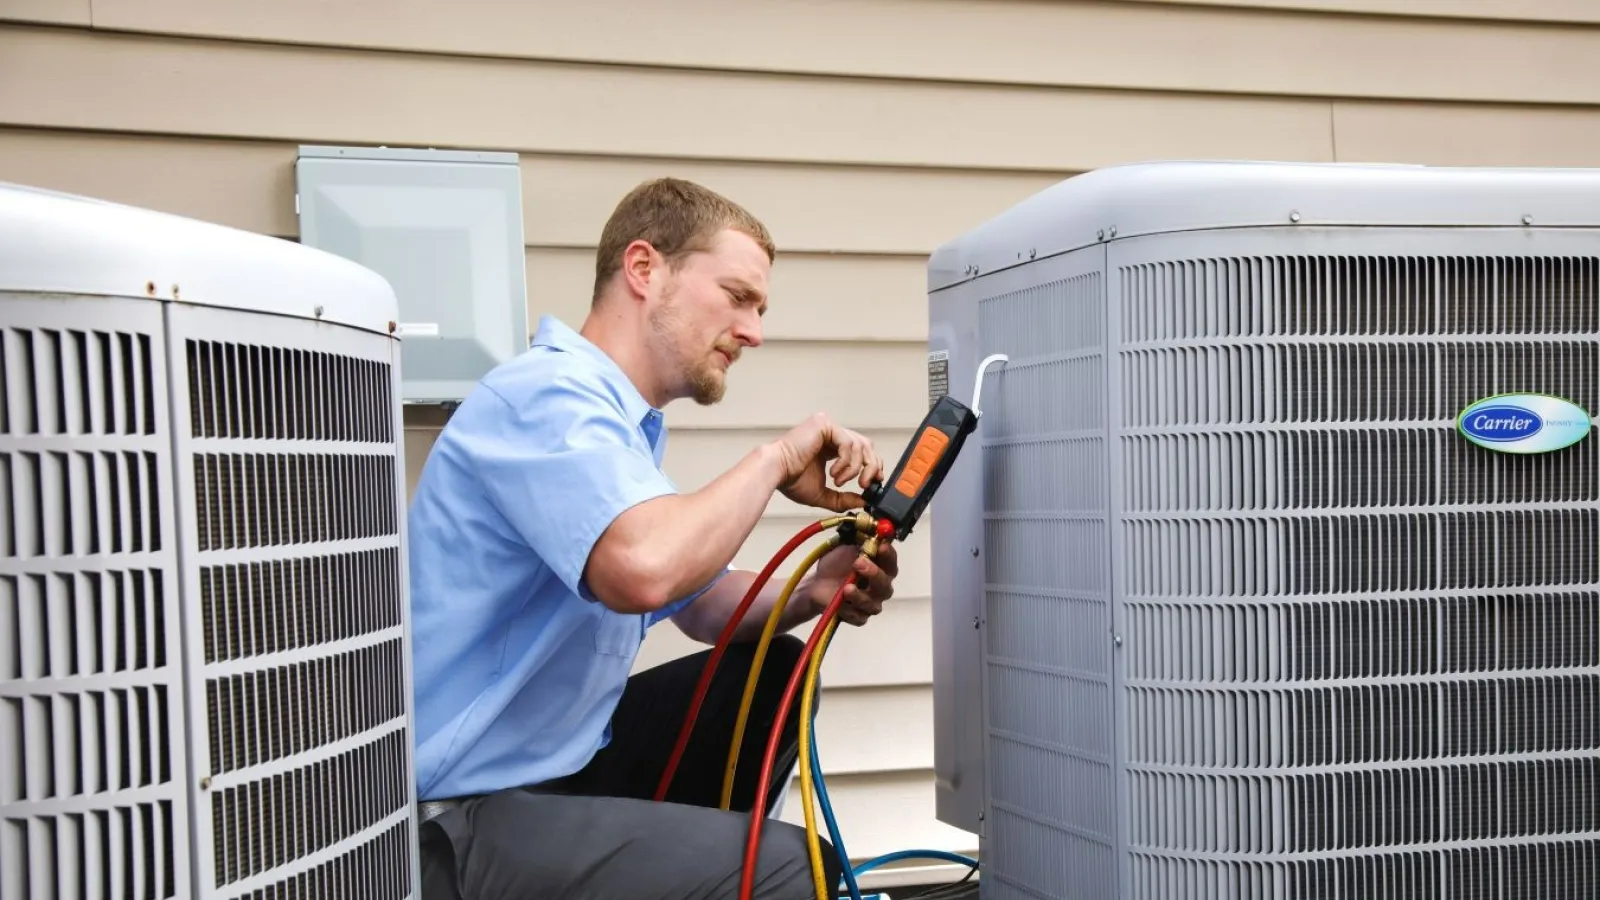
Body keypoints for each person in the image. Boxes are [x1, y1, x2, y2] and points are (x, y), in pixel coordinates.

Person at [406, 176, 902, 900]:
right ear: (645, 270)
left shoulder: (621, 427)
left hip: (562, 774)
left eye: (760, 309)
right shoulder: (544, 400)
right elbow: (643, 570)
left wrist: (818, 588)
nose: (755, 331)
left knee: (769, 674)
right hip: (458, 824)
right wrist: (774, 459)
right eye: (738, 297)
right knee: (799, 872)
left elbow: (701, 604)